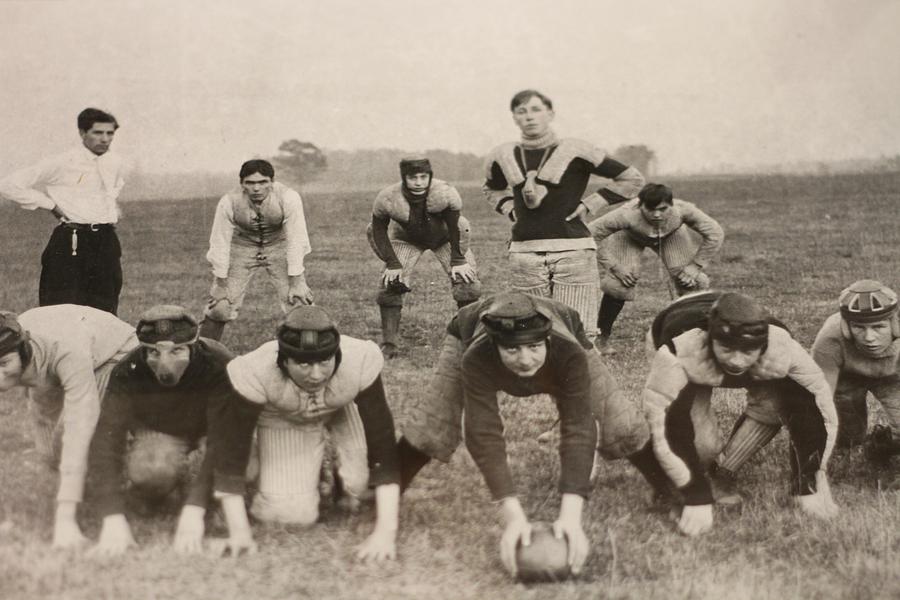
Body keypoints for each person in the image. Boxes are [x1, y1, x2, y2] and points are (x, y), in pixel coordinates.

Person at [397, 292, 672, 577]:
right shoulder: (477, 355)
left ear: (548, 340)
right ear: (494, 344)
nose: (525, 359)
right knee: (433, 422)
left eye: (534, 346)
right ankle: (384, 489)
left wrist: (570, 517)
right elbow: (484, 433)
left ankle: (670, 491)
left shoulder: (568, 351)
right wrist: (512, 515)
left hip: (565, 331)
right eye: (512, 349)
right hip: (467, 332)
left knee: (621, 421)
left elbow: (578, 426)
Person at [642, 291, 839, 537]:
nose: (736, 361)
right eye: (726, 348)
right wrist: (694, 493)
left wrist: (810, 483)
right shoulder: (679, 350)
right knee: (701, 444)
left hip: (723, 320)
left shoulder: (783, 347)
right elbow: (667, 423)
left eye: (748, 351)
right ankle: (674, 484)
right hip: (675, 321)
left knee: (773, 405)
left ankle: (722, 472)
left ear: (763, 344)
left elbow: (816, 411)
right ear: (711, 338)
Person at [217, 305, 401, 561]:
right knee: (286, 514)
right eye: (303, 364)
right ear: (283, 360)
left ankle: (341, 477)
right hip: (282, 416)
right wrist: (239, 532)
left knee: (362, 486)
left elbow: (383, 444)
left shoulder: (359, 359)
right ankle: (281, 468)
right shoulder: (255, 371)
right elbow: (230, 455)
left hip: (339, 405)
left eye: (325, 361)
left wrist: (385, 533)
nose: (316, 374)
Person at [88, 305, 255, 557]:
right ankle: (158, 490)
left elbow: (225, 436)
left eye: (177, 350)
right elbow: (105, 439)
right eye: (154, 352)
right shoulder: (127, 370)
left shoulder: (219, 363)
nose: (164, 362)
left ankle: (209, 498)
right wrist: (112, 516)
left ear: (194, 346)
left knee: (248, 463)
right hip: (163, 430)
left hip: (212, 428)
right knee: (151, 472)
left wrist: (194, 508)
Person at [482, 89, 645, 340]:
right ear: (514, 117)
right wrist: (510, 208)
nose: (529, 117)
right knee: (531, 331)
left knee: (578, 332)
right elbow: (492, 187)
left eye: (536, 109)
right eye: (521, 111)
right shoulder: (502, 154)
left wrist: (591, 204)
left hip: (573, 250)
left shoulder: (576, 149)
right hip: (524, 253)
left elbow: (631, 178)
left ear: (550, 114)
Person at [0, 305, 138, 548]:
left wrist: (64, 521)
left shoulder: (65, 350)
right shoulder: (26, 357)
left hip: (115, 353)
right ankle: (79, 486)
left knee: (77, 436)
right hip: (55, 354)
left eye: (3, 364)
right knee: (49, 454)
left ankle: (122, 473)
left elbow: (78, 427)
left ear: (24, 349)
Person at [0, 108, 127, 314]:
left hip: (106, 241)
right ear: (82, 133)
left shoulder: (114, 162)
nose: (105, 139)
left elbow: (114, 186)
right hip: (71, 241)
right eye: (98, 133)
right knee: (61, 311)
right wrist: (50, 205)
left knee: (105, 312)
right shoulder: (62, 162)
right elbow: (8, 185)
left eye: (110, 133)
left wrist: (111, 207)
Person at [368, 156, 481, 358]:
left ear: (430, 176)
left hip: (446, 238)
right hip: (407, 238)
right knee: (390, 284)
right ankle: (389, 343)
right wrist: (392, 263)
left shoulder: (445, 192)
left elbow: (456, 226)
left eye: (423, 176)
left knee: (466, 282)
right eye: (413, 177)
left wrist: (458, 260)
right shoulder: (387, 197)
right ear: (404, 178)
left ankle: (469, 340)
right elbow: (377, 230)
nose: (419, 182)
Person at [590, 183, 724, 353]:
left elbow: (715, 233)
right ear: (640, 205)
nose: (657, 214)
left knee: (692, 281)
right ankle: (602, 337)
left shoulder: (683, 210)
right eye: (650, 209)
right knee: (619, 284)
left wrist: (695, 265)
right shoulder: (625, 215)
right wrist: (614, 266)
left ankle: (695, 334)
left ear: (672, 205)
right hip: (629, 237)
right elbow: (590, 234)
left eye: (663, 209)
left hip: (671, 235)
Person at [201, 159, 313, 341]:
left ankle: (308, 354)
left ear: (272, 182)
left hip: (279, 245)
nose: (256, 188)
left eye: (263, 182)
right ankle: (202, 356)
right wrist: (221, 285)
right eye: (250, 183)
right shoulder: (229, 201)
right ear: (242, 184)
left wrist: (297, 280)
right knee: (219, 308)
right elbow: (219, 242)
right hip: (242, 246)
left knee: (299, 303)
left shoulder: (288, 197)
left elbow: (296, 238)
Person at [810, 280, 900, 488]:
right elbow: (817, 399)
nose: (869, 337)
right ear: (846, 326)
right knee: (848, 439)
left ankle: (883, 443)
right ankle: (863, 443)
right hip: (847, 380)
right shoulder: (830, 339)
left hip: (894, 378)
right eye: (859, 327)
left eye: (878, 327)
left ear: (894, 323)